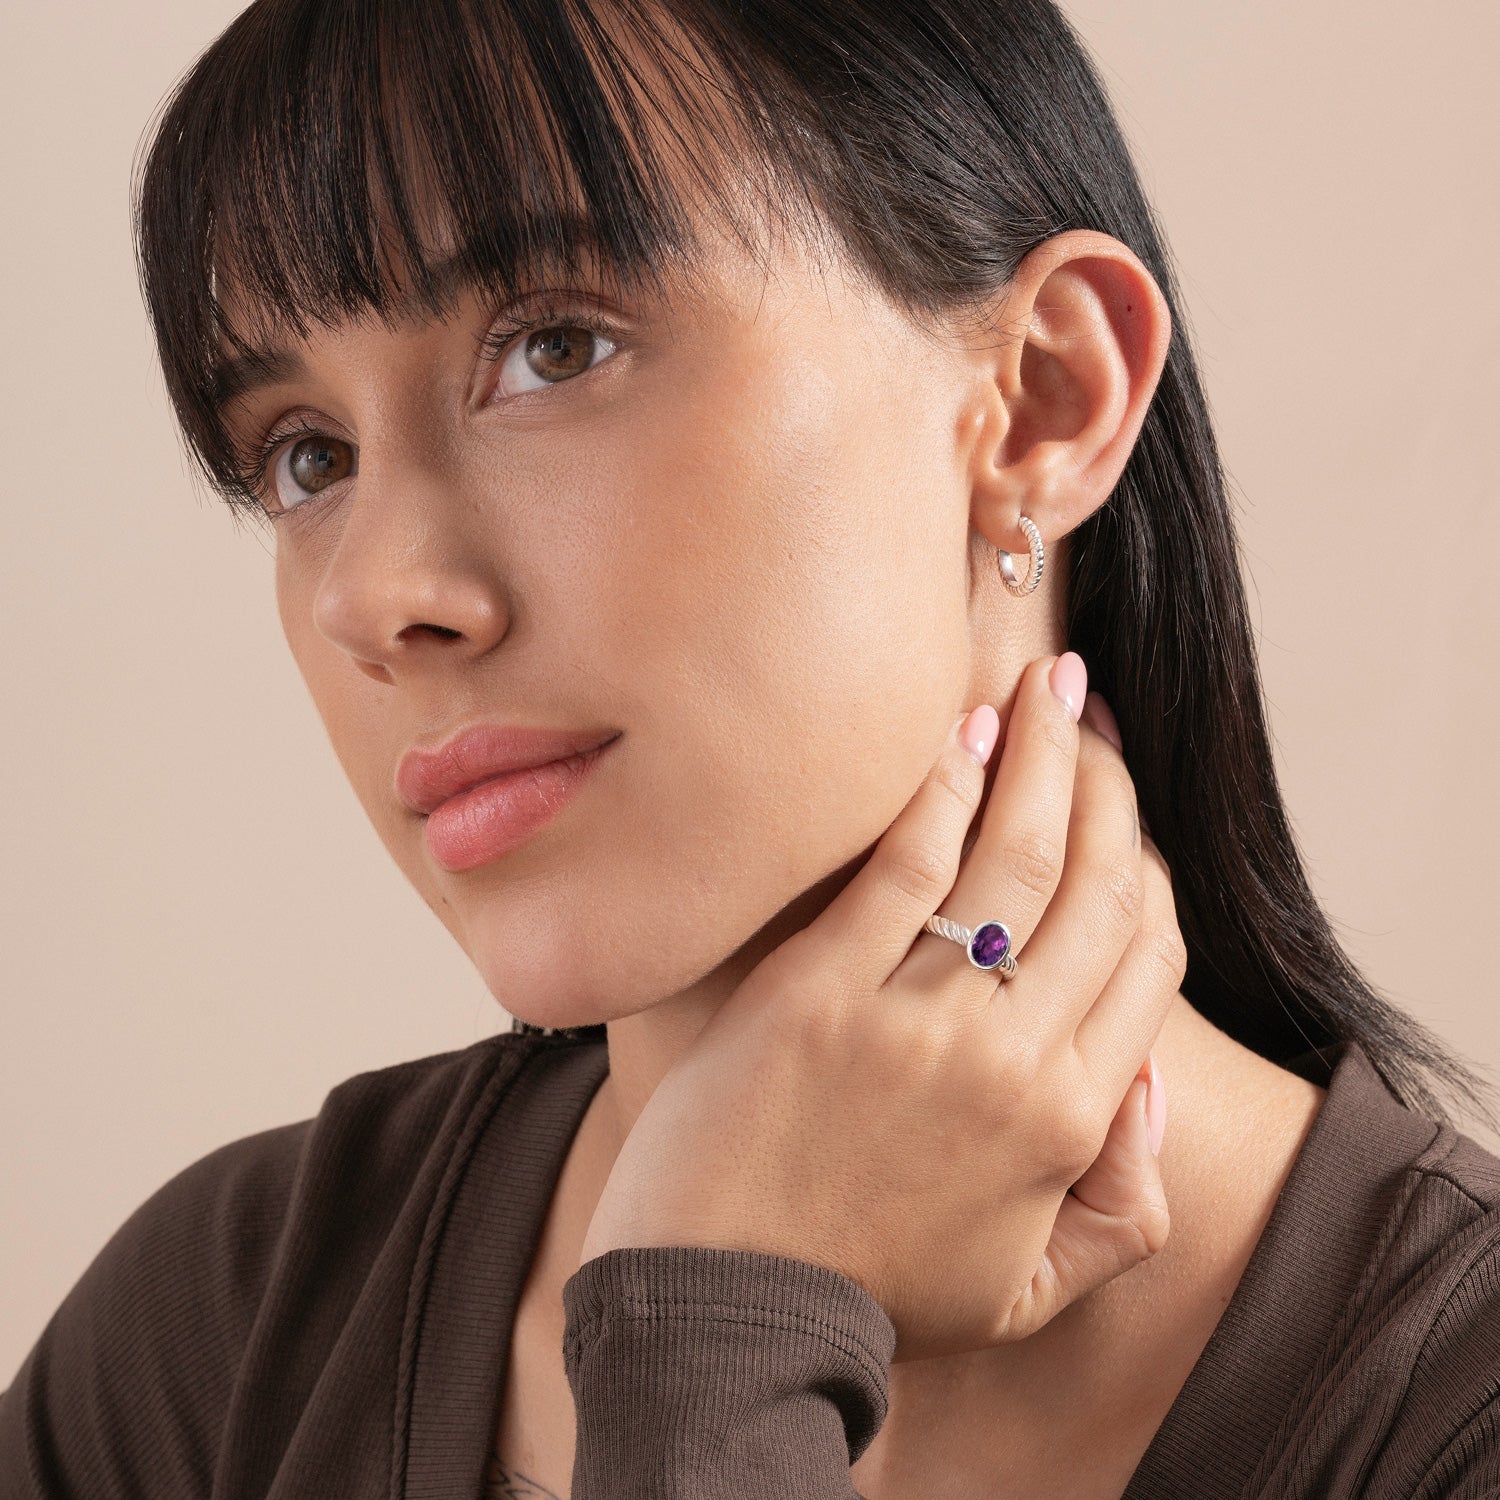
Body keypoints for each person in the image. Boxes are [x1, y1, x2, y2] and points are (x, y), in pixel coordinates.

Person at [3, 0, 1498, 1496]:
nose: (376, 596)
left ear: (1043, 397)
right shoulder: (216, 1350)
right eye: (305, 456)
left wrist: (717, 1330)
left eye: (556, 349)